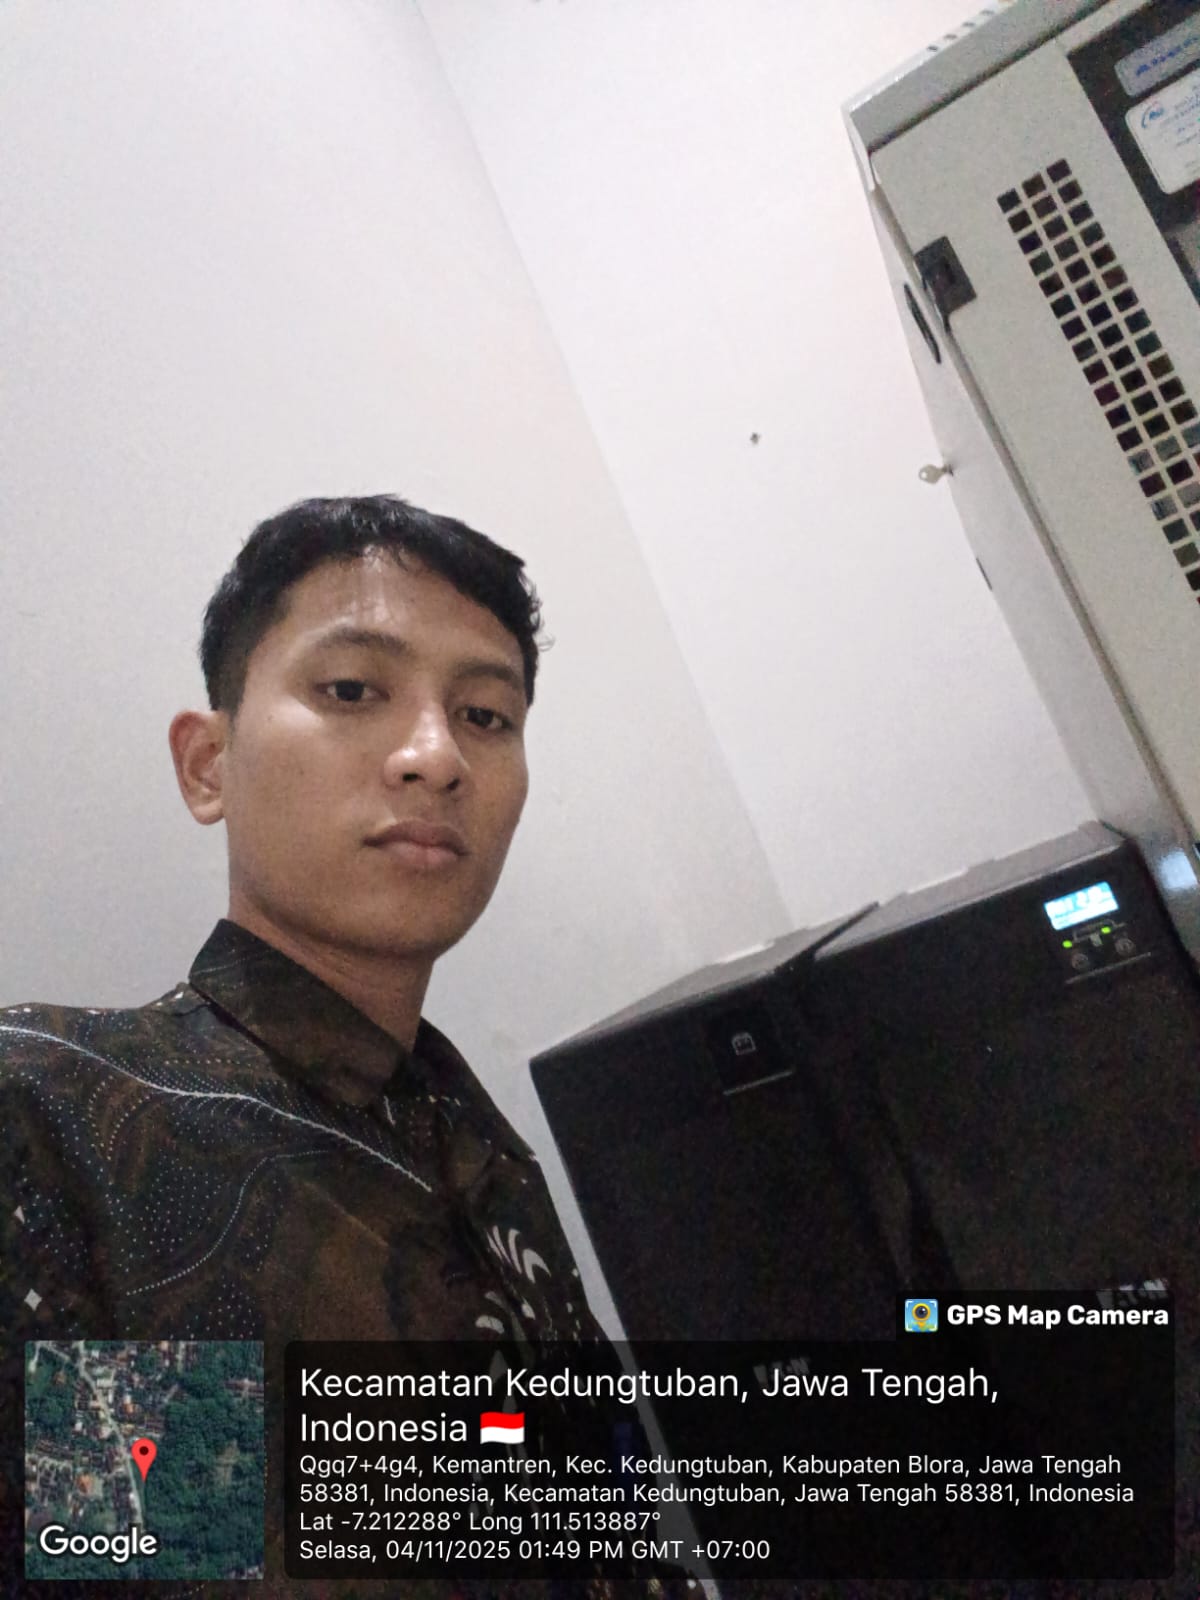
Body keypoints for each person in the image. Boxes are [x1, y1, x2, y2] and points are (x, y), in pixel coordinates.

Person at [0, 495, 605, 1594]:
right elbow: (152, 1554)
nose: (436, 757)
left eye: (486, 715)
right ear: (208, 764)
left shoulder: (483, 1154)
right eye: (352, 691)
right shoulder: (66, 1125)